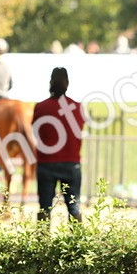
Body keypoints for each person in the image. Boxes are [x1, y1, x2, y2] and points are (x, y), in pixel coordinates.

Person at [33, 67, 84, 223]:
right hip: (71, 163)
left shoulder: (41, 107)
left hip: (46, 163)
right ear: (67, 84)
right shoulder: (77, 107)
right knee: (74, 208)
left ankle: (43, 238)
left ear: (50, 82)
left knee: (44, 208)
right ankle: (77, 238)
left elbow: (36, 131)